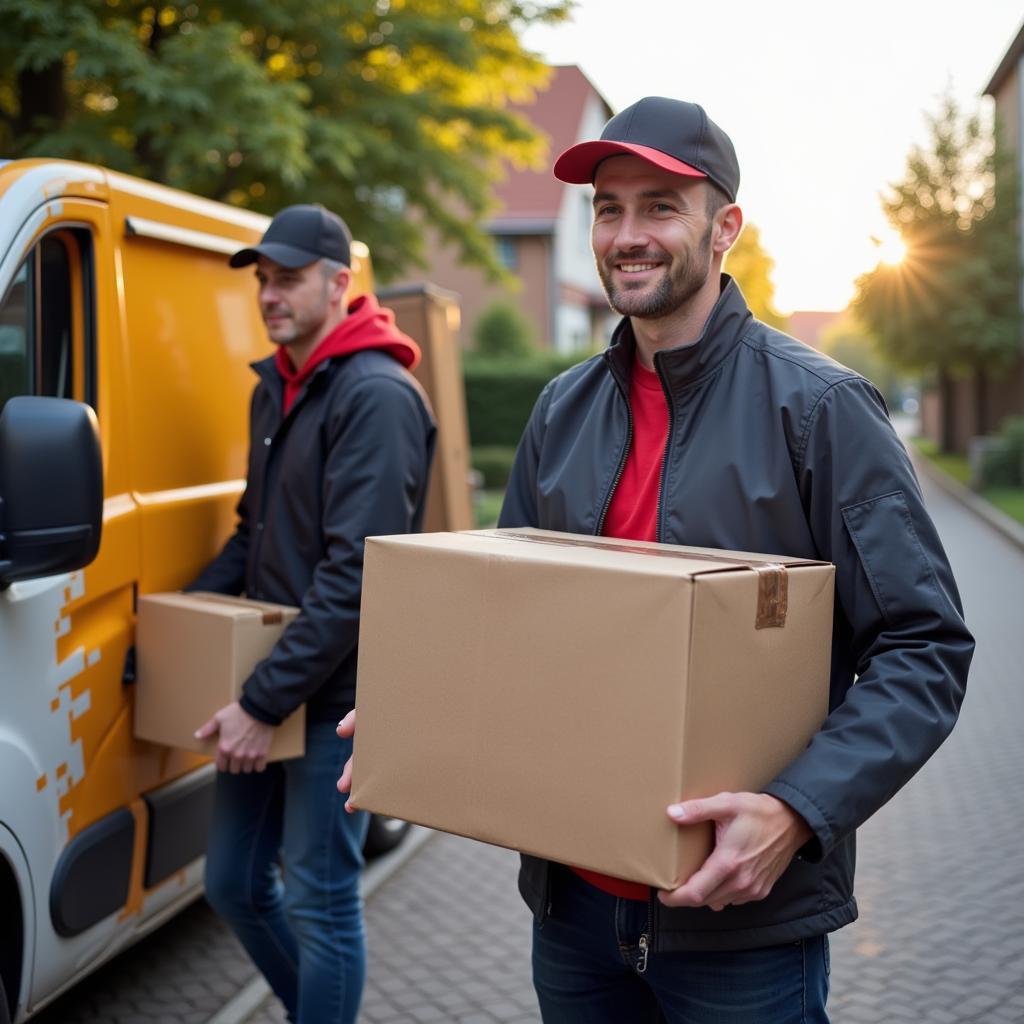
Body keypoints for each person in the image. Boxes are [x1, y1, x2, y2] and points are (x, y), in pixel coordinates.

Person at [340, 96, 973, 1022]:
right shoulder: (560, 413)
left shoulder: (822, 411)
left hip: (741, 928)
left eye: (658, 207)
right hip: (572, 918)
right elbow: (506, 620)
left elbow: (925, 648)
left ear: (725, 228)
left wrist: (797, 810)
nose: (625, 235)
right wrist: (419, 714)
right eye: (607, 208)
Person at [192, 204, 436, 1024]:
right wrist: (176, 625)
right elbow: (251, 533)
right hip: (273, 674)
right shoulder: (280, 386)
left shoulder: (376, 395)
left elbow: (356, 572)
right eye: (263, 278)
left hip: (332, 693)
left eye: (287, 278)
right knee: (230, 881)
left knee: (321, 899)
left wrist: (264, 704)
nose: (269, 293)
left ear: (340, 283)